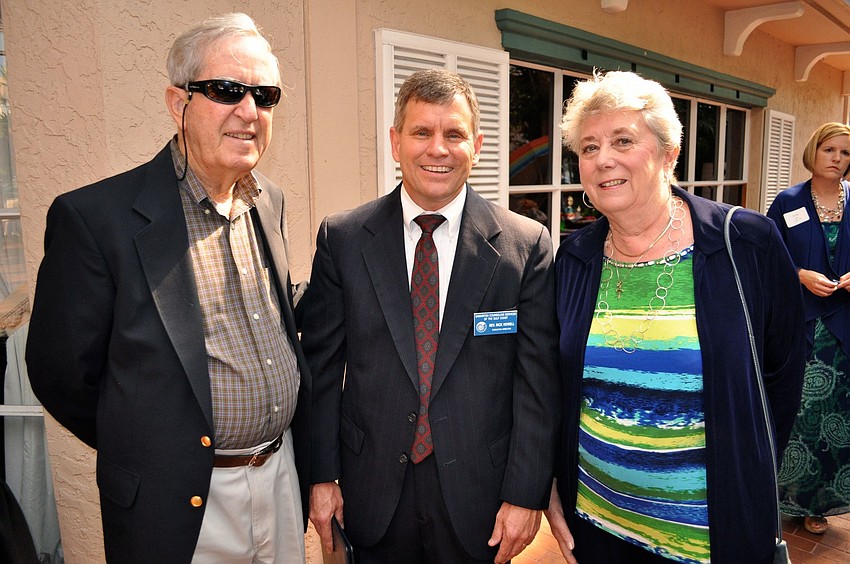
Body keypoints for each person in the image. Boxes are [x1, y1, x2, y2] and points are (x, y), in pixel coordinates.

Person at [25, 13, 310, 564]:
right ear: (178, 104)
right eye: (227, 90)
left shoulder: (267, 201)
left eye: (265, 95)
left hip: (279, 476)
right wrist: (156, 451)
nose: (249, 112)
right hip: (181, 502)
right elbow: (60, 374)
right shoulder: (96, 219)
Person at [300, 69, 560, 563]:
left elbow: (537, 385)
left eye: (454, 134)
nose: (437, 149)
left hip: (479, 495)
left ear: (477, 145)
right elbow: (322, 370)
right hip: (369, 488)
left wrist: (526, 494)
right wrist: (320, 475)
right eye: (421, 132)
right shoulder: (344, 239)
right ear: (396, 142)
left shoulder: (525, 247)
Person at [546, 70, 805, 564]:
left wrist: (748, 473)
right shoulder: (574, 259)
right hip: (598, 525)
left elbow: (783, 372)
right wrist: (553, 489)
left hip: (713, 535)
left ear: (669, 153)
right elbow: (556, 389)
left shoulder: (746, 244)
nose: (603, 159)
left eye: (623, 140)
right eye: (588, 146)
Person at [767, 122, 850, 535]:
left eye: (845, 152)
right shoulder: (788, 202)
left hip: (845, 330)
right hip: (800, 327)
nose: (837, 158)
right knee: (798, 412)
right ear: (814, 152)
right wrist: (799, 274)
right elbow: (765, 259)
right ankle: (781, 499)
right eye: (830, 149)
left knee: (837, 416)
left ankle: (820, 503)